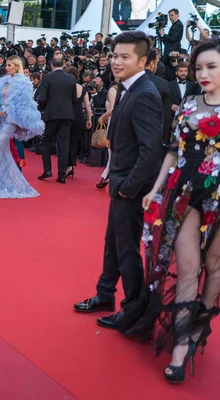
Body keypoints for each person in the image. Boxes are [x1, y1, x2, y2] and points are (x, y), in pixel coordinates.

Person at [125, 39, 220, 384]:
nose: (203, 73)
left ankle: (198, 329)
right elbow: (171, 152)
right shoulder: (188, 105)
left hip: (219, 195)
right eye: (199, 67)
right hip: (185, 190)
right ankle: (179, 345)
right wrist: (155, 188)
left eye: (211, 66)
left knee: (215, 266)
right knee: (188, 266)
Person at [73, 31, 163, 332]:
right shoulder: (126, 89)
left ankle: (134, 309)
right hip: (121, 184)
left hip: (130, 188)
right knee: (113, 245)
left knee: (126, 250)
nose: (116, 61)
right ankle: (105, 294)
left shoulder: (145, 93)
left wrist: (127, 187)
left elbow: (152, 150)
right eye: (114, 56)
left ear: (143, 61)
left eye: (125, 57)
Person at [0, 56, 44, 198]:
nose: (6, 67)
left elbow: (17, 106)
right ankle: (4, 184)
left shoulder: (23, 83)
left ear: (16, 66)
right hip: (1, 118)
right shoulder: (5, 81)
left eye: (9, 65)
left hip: (10, 120)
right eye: (6, 65)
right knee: (3, 152)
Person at [37, 55, 76, 184]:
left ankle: (47, 170)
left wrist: (42, 109)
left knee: (45, 142)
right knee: (63, 145)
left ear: (52, 65)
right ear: (63, 65)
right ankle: (62, 175)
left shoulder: (47, 77)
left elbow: (42, 97)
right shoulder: (71, 78)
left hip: (51, 115)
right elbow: (74, 98)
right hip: (67, 115)